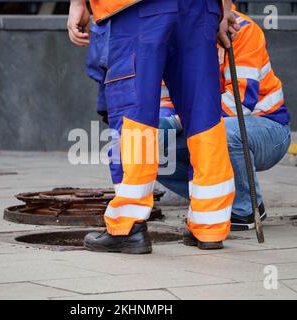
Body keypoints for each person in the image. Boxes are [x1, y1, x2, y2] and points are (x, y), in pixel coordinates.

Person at [68, 0, 239, 253]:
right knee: (203, 114)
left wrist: (77, 4)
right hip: (199, 7)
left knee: (134, 112)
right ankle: (210, 225)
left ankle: (128, 225)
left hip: (135, 8)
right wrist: (224, 7)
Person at [157, 7, 291, 235]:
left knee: (223, 132)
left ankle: (246, 207)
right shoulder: (176, 33)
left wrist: (177, 123)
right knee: (151, 148)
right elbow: (166, 99)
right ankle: (212, 202)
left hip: (267, 128)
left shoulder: (243, 30)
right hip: (201, 125)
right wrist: (160, 128)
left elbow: (240, 103)